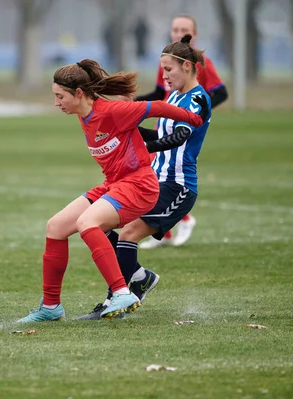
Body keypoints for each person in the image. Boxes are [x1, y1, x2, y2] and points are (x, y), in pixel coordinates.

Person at [17, 59, 209, 322]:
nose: (56, 102)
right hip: (115, 185)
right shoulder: (84, 115)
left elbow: (157, 107)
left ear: (80, 94)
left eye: (60, 96)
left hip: (140, 185)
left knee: (88, 223)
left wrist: (193, 119)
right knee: (56, 227)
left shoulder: (112, 111)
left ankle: (122, 292)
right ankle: (51, 307)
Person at [77, 35, 212, 320]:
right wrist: (125, 135)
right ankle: (138, 278)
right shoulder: (172, 95)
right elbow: (161, 134)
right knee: (99, 224)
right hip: (153, 180)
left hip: (177, 186)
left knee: (127, 234)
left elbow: (180, 136)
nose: (164, 75)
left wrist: (140, 147)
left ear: (186, 66)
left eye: (169, 69)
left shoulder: (198, 98)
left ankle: (120, 296)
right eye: (162, 69)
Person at [136, 15, 228, 248]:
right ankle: (163, 235)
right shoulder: (169, 63)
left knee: (165, 178)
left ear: (194, 34)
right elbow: (160, 95)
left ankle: (182, 220)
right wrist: (131, 108)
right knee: (149, 181)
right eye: (175, 29)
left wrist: (197, 116)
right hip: (165, 126)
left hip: (179, 133)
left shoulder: (198, 64)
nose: (178, 33)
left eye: (184, 29)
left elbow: (221, 93)